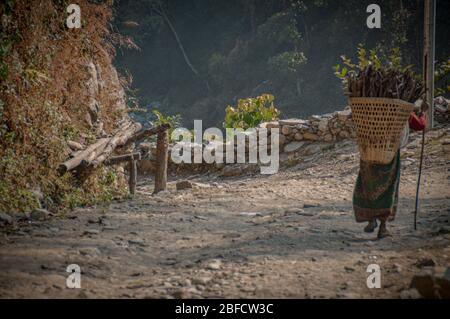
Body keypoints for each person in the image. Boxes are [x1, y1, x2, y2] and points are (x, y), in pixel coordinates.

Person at [353, 101, 428, 239]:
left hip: (369, 152)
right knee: (388, 189)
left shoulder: (368, 107)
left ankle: (371, 219)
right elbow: (420, 125)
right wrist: (423, 113)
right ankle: (383, 227)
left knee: (368, 186)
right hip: (389, 154)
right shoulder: (401, 110)